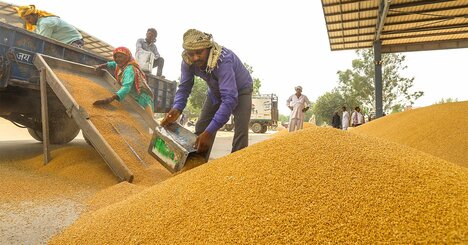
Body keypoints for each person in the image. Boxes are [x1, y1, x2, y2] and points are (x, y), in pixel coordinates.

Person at [160, 29, 253, 154]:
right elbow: (184, 87)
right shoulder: (188, 61)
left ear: (208, 48)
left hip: (242, 91)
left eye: (199, 52)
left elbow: (230, 98)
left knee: (240, 134)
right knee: (201, 129)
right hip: (215, 93)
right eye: (191, 54)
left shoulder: (223, 60)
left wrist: (210, 132)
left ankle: (238, 167)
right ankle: (197, 166)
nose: (195, 58)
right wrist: (177, 108)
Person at [93, 47, 154, 116]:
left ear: (127, 57)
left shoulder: (129, 69)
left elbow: (126, 87)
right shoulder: (120, 65)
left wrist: (110, 99)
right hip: (131, 95)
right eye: (115, 57)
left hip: (141, 98)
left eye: (120, 57)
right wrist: (100, 66)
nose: (117, 59)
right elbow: (112, 64)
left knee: (146, 119)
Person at [14, 5, 84, 48]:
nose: (28, 22)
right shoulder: (38, 26)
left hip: (74, 41)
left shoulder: (45, 23)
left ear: (35, 15)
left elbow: (42, 41)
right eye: (26, 20)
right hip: (64, 44)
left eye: (28, 18)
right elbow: (34, 37)